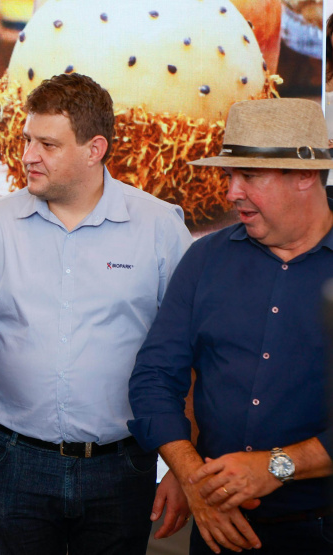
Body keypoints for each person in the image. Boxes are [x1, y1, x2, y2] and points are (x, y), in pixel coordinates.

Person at [0, 73, 194, 554]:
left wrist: (183, 468)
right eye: (27, 140)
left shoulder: (159, 227)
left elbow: (192, 356)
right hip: (15, 459)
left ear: (94, 149)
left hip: (122, 464)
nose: (27, 155)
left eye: (47, 144)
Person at [128, 98, 333, 555]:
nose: (231, 193)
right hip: (218, 526)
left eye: (250, 176)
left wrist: (278, 466)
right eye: (229, 176)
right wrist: (191, 476)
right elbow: (154, 378)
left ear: (305, 175)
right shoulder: (206, 259)